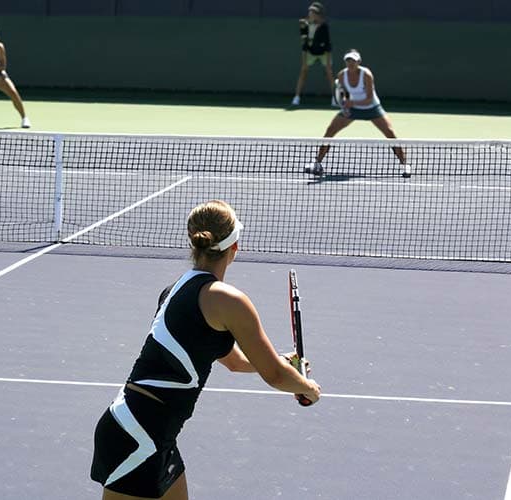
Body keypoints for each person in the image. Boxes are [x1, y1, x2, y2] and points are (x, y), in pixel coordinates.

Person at [90, 200, 321, 500]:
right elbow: (275, 376)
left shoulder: (177, 289)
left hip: (150, 434)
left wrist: (284, 361)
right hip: (138, 437)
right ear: (235, 246)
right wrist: (308, 387)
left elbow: (236, 361)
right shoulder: (228, 300)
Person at [304, 49, 410, 178]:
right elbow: (344, 94)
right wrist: (345, 106)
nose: (350, 63)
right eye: (348, 60)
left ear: (358, 61)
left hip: (372, 108)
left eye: (353, 61)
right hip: (352, 109)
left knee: (390, 133)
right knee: (330, 131)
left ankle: (405, 165)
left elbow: (369, 99)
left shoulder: (366, 75)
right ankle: (317, 163)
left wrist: (352, 103)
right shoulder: (342, 75)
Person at [291, 2, 334, 107]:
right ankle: (296, 97)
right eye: (310, 12)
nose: (310, 14)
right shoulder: (303, 24)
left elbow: (328, 45)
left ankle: (335, 98)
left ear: (318, 14)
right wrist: (304, 61)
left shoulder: (324, 26)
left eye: (313, 12)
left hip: (323, 52)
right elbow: (304, 44)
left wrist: (328, 63)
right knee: (303, 71)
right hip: (310, 52)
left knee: (329, 72)